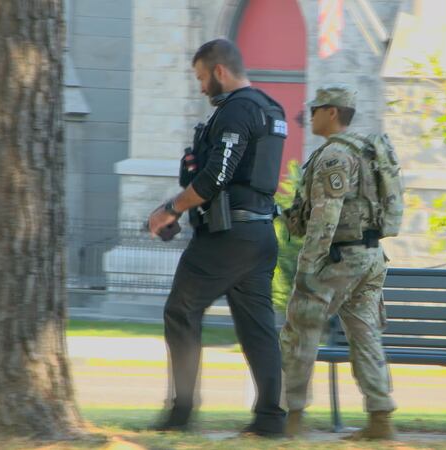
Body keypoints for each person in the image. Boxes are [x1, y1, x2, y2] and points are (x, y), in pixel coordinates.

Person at [146, 38, 287, 436]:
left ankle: (181, 413)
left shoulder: (236, 110)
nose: (201, 86)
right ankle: (270, 420)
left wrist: (171, 209)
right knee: (257, 326)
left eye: (202, 77)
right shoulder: (269, 109)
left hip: (226, 238)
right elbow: (228, 172)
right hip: (260, 234)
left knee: (181, 312)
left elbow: (215, 179)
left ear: (219, 71)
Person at [280, 84, 398, 440]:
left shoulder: (335, 156)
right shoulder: (364, 150)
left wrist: (307, 266)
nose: (310, 115)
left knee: (301, 327)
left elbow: (325, 217)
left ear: (333, 112)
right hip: (371, 257)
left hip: (341, 257)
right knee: (365, 336)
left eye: (316, 109)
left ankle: (292, 419)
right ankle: (380, 419)